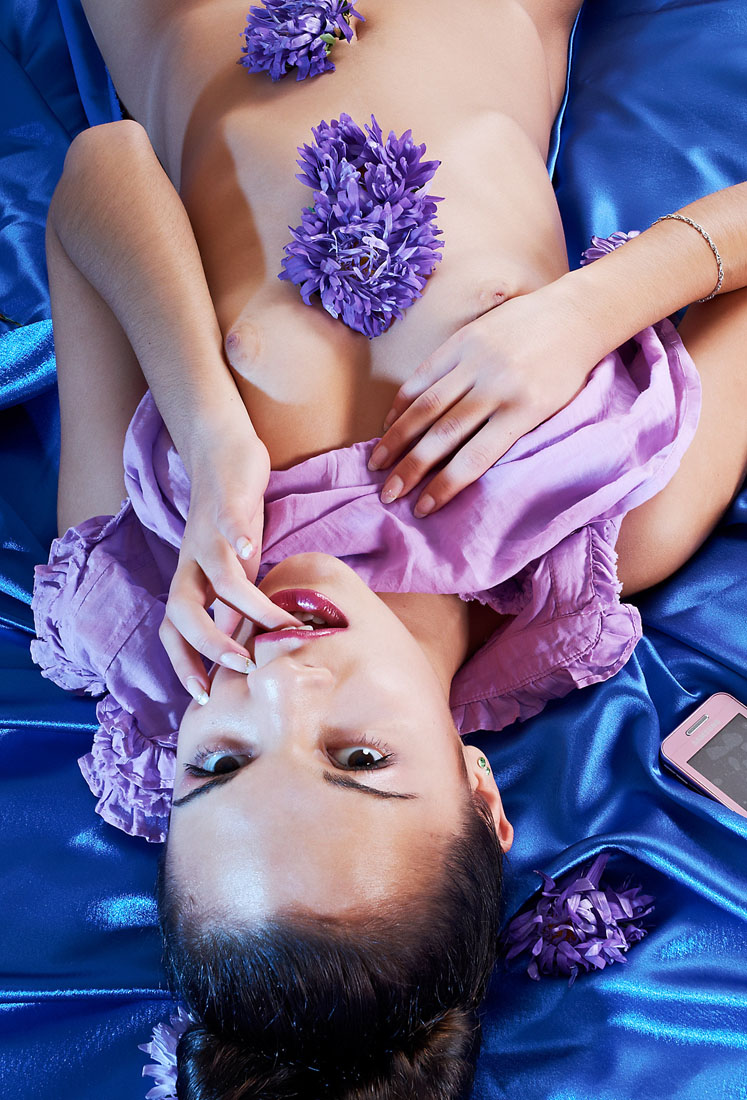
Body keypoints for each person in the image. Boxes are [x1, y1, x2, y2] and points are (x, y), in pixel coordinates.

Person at [31, 1, 747, 1096]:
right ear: (480, 794)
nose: (284, 685)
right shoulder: (601, 534)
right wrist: (584, 313)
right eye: (357, 758)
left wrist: (207, 423)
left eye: (219, 763)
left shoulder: (137, 580)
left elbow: (102, 167)